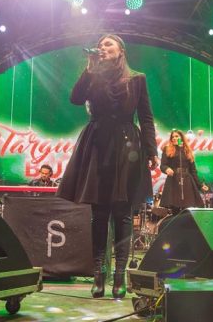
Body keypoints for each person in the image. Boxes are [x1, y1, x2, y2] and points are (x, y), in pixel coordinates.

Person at [57, 34, 158, 299]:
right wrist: (90, 68)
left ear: (121, 50)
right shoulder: (94, 76)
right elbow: (75, 98)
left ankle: (119, 275)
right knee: (99, 213)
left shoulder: (137, 78)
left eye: (108, 44)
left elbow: (146, 117)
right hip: (97, 144)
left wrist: (152, 150)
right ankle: (99, 274)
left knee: (123, 213)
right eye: (100, 44)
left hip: (126, 146)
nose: (103, 47)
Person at [159, 130, 208, 211]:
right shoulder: (167, 149)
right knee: (175, 208)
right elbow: (162, 165)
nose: (174, 138)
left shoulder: (187, 150)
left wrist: (200, 185)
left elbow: (193, 171)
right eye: (172, 137)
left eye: (176, 136)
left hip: (187, 181)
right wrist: (167, 169)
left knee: (188, 207)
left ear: (181, 138)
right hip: (173, 180)